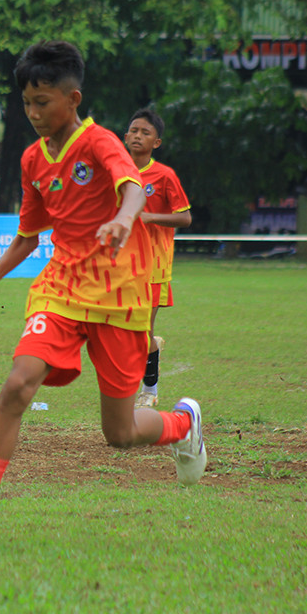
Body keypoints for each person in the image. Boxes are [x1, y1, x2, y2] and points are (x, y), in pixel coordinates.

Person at [0, 41, 207, 549]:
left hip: (122, 295)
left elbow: (133, 189)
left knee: (119, 434)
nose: (33, 113)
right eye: (27, 102)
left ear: (72, 98)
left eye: (43, 102)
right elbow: (29, 234)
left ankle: (183, 422)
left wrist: (122, 219)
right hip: (61, 286)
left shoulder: (99, 142)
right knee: (17, 385)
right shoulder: (33, 159)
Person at [124, 108, 192, 409]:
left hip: (153, 266)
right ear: (125, 136)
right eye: (134, 130)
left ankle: (149, 390)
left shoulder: (164, 176)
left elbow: (185, 218)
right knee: (119, 334)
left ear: (157, 143)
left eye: (145, 132)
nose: (138, 136)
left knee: (139, 334)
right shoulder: (114, 171)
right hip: (117, 266)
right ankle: (151, 347)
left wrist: (149, 217)